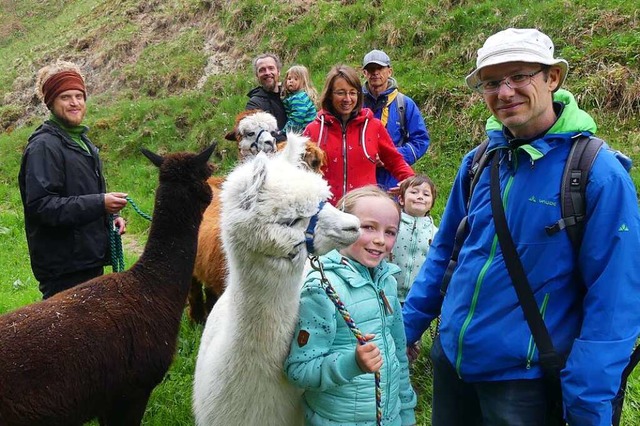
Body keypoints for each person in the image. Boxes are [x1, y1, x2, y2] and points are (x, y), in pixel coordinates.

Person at [403, 28, 640, 426]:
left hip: (525, 382)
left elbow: (615, 300)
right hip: (452, 363)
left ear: (552, 78)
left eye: (519, 76)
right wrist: (406, 328)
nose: (505, 91)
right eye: (492, 82)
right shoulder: (479, 163)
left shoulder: (595, 174)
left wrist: (588, 400)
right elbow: (445, 253)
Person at [285, 185, 417, 426]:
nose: (380, 240)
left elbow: (398, 351)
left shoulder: (386, 281)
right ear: (344, 227)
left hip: (389, 418)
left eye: (390, 232)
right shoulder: (322, 289)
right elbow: (299, 370)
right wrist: (352, 363)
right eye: (368, 227)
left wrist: (406, 410)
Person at [18, 60, 128, 299]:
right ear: (51, 103)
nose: (75, 103)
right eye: (65, 97)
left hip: (87, 260)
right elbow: (42, 206)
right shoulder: (44, 147)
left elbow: (82, 192)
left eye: (79, 96)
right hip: (64, 269)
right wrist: (100, 203)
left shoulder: (82, 141)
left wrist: (111, 216)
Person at [303, 64, 415, 205]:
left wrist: (412, 184)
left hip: (365, 212)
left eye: (352, 92)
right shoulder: (313, 130)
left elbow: (395, 161)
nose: (347, 99)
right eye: (341, 92)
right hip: (326, 215)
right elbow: (297, 169)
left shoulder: (373, 127)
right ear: (330, 95)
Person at [362, 49, 431, 191]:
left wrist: (391, 156)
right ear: (365, 73)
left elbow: (420, 140)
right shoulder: (355, 103)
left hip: (393, 178)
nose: (375, 73)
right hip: (362, 176)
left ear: (390, 71)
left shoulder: (404, 103)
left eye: (380, 68)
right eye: (371, 69)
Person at [389, 174, 438, 304]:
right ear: (401, 199)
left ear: (432, 203)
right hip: (387, 293)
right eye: (414, 192)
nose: (420, 196)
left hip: (418, 297)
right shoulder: (391, 226)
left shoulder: (436, 233)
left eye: (426, 194)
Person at [246, 53, 287, 130]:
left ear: (278, 71)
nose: (267, 73)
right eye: (262, 70)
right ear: (257, 76)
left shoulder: (292, 94)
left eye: (271, 68)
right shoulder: (254, 105)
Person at [282, 64, 318, 133]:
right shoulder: (295, 95)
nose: (291, 81)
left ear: (303, 82)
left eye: (296, 79)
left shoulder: (299, 98)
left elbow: (296, 120)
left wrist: (283, 132)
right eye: (289, 78)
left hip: (306, 132)